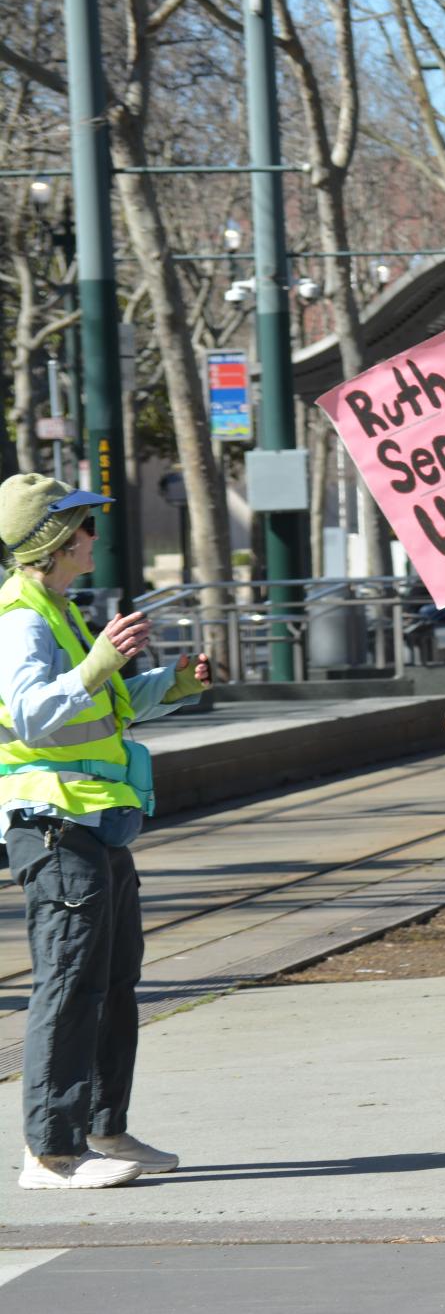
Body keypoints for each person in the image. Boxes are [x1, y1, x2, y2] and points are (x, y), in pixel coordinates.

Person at [2, 475, 210, 1189]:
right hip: (56, 827)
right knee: (69, 982)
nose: (93, 537)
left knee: (113, 981)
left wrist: (172, 685)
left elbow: (104, 709)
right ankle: (50, 1151)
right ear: (50, 543)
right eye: (81, 527)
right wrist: (99, 664)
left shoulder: (59, 610)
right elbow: (32, 713)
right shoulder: (21, 617)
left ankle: (101, 1127)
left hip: (95, 825)